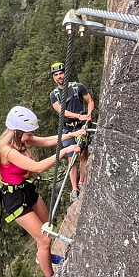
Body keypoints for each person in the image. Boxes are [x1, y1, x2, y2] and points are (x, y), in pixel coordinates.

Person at [0, 106, 83, 277]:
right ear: (17, 132)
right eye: (29, 134)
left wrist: (71, 135)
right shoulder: (8, 151)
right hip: (15, 199)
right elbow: (37, 167)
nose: (32, 137)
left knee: (47, 226)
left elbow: (46, 141)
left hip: (27, 190)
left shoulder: (20, 140)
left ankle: (42, 255)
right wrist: (64, 151)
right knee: (44, 240)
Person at [48, 62, 94, 202]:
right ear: (54, 77)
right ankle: (74, 189)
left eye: (61, 73)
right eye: (56, 75)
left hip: (80, 127)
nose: (59, 76)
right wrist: (80, 116)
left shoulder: (78, 87)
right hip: (67, 129)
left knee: (83, 155)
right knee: (71, 159)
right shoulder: (54, 95)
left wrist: (89, 114)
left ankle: (82, 181)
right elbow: (62, 112)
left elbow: (90, 100)